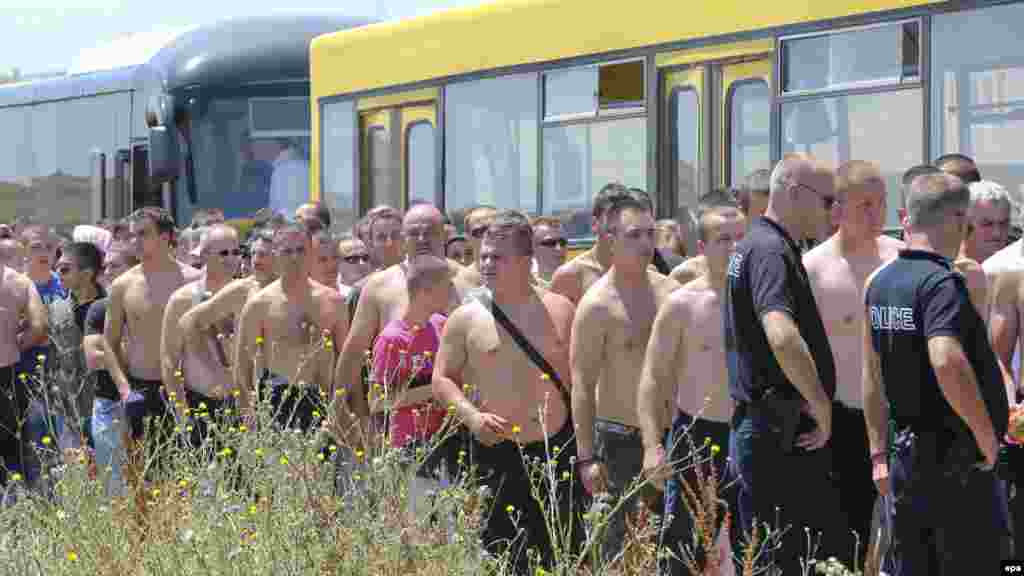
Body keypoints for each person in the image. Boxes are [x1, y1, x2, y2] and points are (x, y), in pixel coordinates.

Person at [864, 172, 1007, 574]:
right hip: (955, 466)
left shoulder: (882, 284)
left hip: (908, 460)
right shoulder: (942, 283)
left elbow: (871, 374)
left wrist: (878, 453)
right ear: (960, 221)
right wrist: (988, 442)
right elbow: (945, 359)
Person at [432, 210, 580, 573]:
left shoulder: (561, 310)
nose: (486, 264)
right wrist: (472, 417)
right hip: (496, 454)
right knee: (500, 558)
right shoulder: (465, 317)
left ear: (525, 260)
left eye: (497, 257)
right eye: (483, 255)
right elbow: (442, 378)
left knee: (560, 555)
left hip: (556, 452)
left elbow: (583, 383)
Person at [723, 154, 844, 572]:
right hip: (775, 429)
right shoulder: (771, 249)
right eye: (828, 201)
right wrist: (821, 403)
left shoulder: (762, 244)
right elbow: (780, 331)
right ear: (794, 193)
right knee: (778, 557)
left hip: (767, 426)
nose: (834, 211)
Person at [802, 160, 904, 561]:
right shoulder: (814, 270)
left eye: (881, 203)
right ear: (838, 209)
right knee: (844, 537)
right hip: (841, 421)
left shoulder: (900, 259)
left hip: (897, 419)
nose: (875, 213)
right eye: (864, 204)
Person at [638, 190, 743, 576]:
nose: (735, 247)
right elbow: (652, 377)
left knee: (755, 548)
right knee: (680, 554)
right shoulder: (683, 304)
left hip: (750, 433)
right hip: (696, 436)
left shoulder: (763, 298)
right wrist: (652, 446)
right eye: (723, 240)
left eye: (740, 238)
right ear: (702, 247)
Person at [570, 195, 680, 557]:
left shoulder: (672, 293)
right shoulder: (597, 306)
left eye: (650, 233)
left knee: (673, 549)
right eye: (634, 235)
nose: (646, 243)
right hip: (618, 443)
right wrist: (587, 457)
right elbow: (582, 385)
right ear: (610, 238)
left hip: (674, 435)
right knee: (618, 553)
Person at [335, 204, 477, 431]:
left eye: (429, 231)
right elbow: (353, 354)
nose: (421, 238)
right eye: (413, 232)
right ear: (403, 238)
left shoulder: (468, 283)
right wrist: (342, 414)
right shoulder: (379, 286)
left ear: (444, 235)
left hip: (465, 424)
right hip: (403, 430)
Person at [104, 208, 201, 471]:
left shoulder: (195, 280)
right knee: (146, 477)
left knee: (195, 471)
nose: (135, 240)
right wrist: (125, 389)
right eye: (133, 235)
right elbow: (109, 343)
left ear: (166, 237)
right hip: (143, 392)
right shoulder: (123, 285)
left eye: (143, 234)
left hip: (192, 389)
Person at [234, 222, 347, 432]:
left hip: (321, 403)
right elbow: (242, 366)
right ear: (276, 255)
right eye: (287, 251)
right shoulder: (260, 304)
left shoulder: (333, 302)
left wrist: (339, 410)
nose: (294, 257)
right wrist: (248, 415)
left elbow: (347, 361)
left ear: (311, 253)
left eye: (301, 250)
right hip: (276, 404)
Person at [369, 255, 451, 513]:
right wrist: (434, 389)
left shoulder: (440, 324)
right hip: (410, 444)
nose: (450, 291)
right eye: (445, 285)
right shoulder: (393, 338)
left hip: (445, 438)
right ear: (426, 291)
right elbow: (376, 401)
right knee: (419, 523)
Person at [161, 225, 242, 449]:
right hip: (200, 406)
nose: (231, 259)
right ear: (204, 255)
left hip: (242, 407)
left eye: (236, 252)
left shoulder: (248, 294)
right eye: (223, 253)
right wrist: (183, 415)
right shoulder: (183, 299)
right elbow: (169, 360)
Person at [85, 243, 138, 496]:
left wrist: (116, 352)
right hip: (109, 403)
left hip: (148, 400)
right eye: (105, 266)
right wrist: (132, 352)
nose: (106, 272)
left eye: (114, 266)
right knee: (114, 487)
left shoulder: (148, 307)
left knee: (149, 482)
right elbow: (94, 358)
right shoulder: (99, 308)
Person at [49, 242, 107, 453]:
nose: (58, 274)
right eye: (57, 268)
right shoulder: (56, 308)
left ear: (87, 273)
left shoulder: (112, 308)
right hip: (67, 410)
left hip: (104, 406)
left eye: (65, 269)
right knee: (74, 478)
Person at [0, 262, 47, 488]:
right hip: (8, 371)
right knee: (14, 453)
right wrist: (15, 344)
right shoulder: (20, 282)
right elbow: (39, 326)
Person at [549, 183, 632, 305]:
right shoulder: (569, 276)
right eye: (611, 217)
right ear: (594, 224)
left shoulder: (644, 272)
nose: (618, 225)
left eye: (624, 218)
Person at [960, 180, 1013, 266]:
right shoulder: (943, 271)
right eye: (987, 224)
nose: (997, 233)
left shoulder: (1017, 268)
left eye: (1003, 224)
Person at [267, 139, 310, 218]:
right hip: (306, 218)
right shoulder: (309, 167)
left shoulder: (279, 170)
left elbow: (273, 204)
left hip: (285, 219)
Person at [459, 205, 497, 284]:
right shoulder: (460, 283)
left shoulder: (520, 277)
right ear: (468, 238)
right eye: (479, 232)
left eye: (493, 229)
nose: (486, 235)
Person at [530, 216, 568, 288]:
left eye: (562, 242)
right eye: (550, 243)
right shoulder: (523, 288)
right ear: (532, 248)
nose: (559, 249)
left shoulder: (578, 283)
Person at [336, 234, 372, 299]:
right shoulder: (333, 294)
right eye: (353, 259)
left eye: (365, 258)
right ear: (339, 263)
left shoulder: (380, 288)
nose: (362, 263)